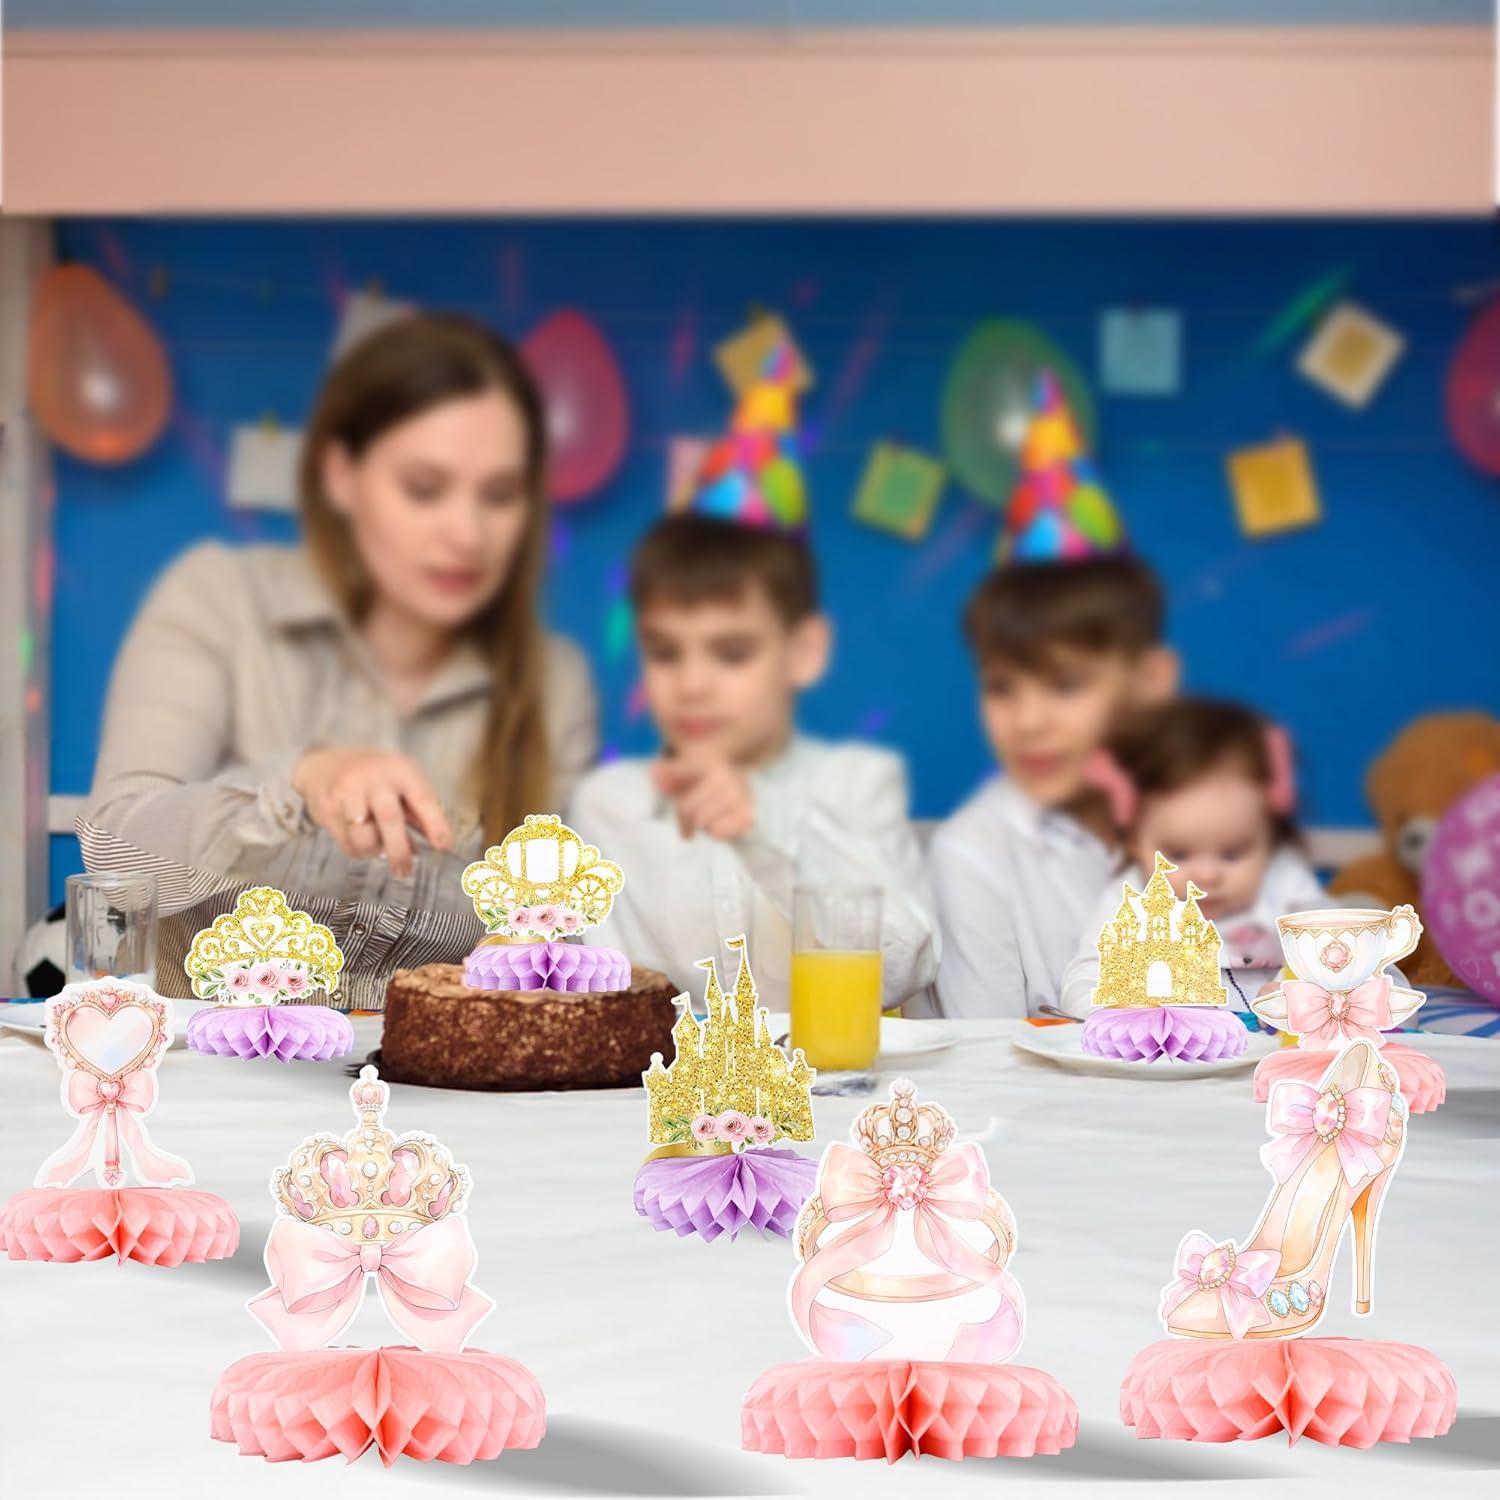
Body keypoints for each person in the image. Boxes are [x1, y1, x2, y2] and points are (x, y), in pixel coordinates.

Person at [80, 314, 597, 1007]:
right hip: (201, 1077)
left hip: (438, 1091)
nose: (467, 533)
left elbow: (543, 928)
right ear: (342, 476)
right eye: (424, 487)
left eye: (499, 496)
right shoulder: (220, 599)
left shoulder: (551, 681)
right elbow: (115, 848)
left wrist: (532, 951)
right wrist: (296, 785)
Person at [568, 512, 938, 1010]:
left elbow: (902, 969)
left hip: (822, 1081)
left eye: (732, 653)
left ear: (804, 652)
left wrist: (765, 826)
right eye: (666, 653)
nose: (692, 685)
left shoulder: (856, 781)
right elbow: (606, 1003)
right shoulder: (611, 805)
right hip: (667, 1084)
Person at [930, 558, 1178, 1018]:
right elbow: (989, 1064)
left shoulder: (1219, 821)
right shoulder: (972, 853)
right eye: (1001, 688)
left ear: (1150, 680)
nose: (1028, 722)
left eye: (1065, 685)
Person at [1058, 698, 1328, 1017]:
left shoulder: (1286, 888)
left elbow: (1355, 966)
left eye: (1232, 854)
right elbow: (1084, 979)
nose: (1207, 875)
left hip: (1262, 1062)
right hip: (1155, 1058)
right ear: (1133, 839)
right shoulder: (1130, 901)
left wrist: (1309, 994)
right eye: (1178, 854)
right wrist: (1114, 1010)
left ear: (1271, 839)